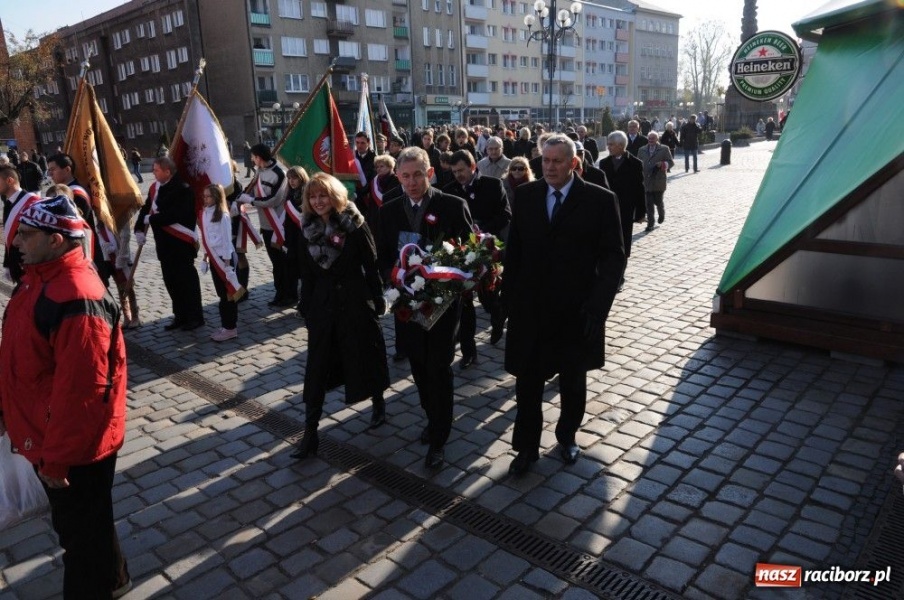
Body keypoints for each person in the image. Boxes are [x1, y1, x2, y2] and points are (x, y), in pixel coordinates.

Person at [0, 195, 131, 598]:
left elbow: (81, 395)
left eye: (25, 234)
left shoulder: (75, 295)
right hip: (50, 431)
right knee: (89, 523)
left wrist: (57, 459)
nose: (15, 241)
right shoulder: (39, 277)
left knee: (80, 540)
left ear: (55, 239)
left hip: (73, 447)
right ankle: (115, 579)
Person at [503, 135, 625, 476]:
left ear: (573, 163)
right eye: (545, 160)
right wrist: (508, 301)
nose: (550, 167)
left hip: (576, 310)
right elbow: (515, 251)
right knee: (528, 382)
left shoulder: (600, 200)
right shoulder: (526, 195)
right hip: (531, 309)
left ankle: (567, 434)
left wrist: (597, 308)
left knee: (573, 379)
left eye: (557, 161)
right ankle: (526, 447)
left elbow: (614, 258)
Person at [377, 147, 473, 470]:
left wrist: (447, 281)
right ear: (398, 177)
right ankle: (432, 416)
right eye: (405, 176)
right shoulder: (388, 210)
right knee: (418, 365)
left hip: (443, 304)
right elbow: (383, 255)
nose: (412, 182)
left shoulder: (452, 205)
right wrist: (394, 280)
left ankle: (439, 438)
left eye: (418, 174)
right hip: (407, 304)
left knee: (439, 367)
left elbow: (469, 251)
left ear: (430, 173)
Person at [291, 173, 390, 459]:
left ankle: (378, 401)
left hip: (355, 300)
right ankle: (310, 433)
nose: (318, 201)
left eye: (323, 195)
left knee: (367, 354)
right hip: (323, 306)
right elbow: (306, 273)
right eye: (312, 196)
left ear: (334, 195)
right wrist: (305, 305)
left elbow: (370, 262)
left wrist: (377, 297)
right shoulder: (306, 228)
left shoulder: (354, 223)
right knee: (317, 368)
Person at [443, 149, 512, 359]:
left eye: (461, 170)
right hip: (462, 251)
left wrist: (481, 231)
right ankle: (468, 351)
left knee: (488, 296)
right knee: (464, 302)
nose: (458, 175)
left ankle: (498, 314)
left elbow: (505, 214)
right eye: (454, 172)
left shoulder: (493, 185)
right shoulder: (449, 190)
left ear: (473, 167)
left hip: (489, 248)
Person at [134, 156, 205, 330]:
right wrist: (139, 228)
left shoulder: (183, 189)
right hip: (164, 245)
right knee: (171, 282)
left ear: (167, 171)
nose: (153, 173)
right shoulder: (155, 188)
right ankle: (180, 315)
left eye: (156, 170)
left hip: (181, 244)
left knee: (186, 282)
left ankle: (195, 317)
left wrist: (152, 219)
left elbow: (177, 215)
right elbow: (146, 208)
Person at [46, 153, 116, 287]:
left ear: (67, 169)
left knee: (95, 290)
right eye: (49, 170)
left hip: (85, 250)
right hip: (74, 252)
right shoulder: (62, 192)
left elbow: (73, 226)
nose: (50, 174)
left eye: (53, 169)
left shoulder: (77, 194)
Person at [239, 143, 294, 307]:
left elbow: (274, 200)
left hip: (278, 225)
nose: (251, 160)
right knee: (276, 263)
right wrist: (241, 196)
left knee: (284, 263)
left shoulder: (279, 174)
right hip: (266, 225)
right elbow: (251, 189)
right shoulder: (259, 171)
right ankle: (280, 293)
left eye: (253, 157)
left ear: (259, 157)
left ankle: (290, 294)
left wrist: (251, 201)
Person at [599, 131, 646, 291]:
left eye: (611, 144)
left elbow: (640, 188)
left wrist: (641, 212)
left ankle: (620, 277)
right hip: (607, 209)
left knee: (624, 244)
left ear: (620, 146)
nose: (608, 147)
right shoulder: (604, 163)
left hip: (625, 210)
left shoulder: (635, 163)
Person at [200, 184, 245, 341]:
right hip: (214, 258)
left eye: (209, 196)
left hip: (225, 259)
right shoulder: (205, 213)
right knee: (221, 294)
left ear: (217, 197)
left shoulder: (223, 215)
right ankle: (225, 325)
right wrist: (205, 258)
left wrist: (227, 266)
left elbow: (226, 242)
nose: (205, 199)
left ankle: (231, 328)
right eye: (204, 196)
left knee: (228, 295)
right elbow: (206, 238)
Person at [1, 166, 40, 283]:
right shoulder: (8, 204)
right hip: (17, 267)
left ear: (9, 180)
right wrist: (8, 264)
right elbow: (9, 236)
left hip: (29, 268)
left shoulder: (32, 203)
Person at [283, 166, 309, 313]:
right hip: (292, 237)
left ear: (301, 178)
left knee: (305, 271)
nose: (291, 181)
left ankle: (305, 302)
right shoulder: (290, 193)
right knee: (294, 268)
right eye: (289, 178)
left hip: (304, 236)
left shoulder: (306, 193)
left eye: (294, 178)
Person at [638, 131, 674, 232]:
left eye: (653, 138)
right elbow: (638, 163)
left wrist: (662, 164)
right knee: (648, 204)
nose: (650, 140)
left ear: (657, 139)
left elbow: (671, 162)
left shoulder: (664, 149)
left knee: (658, 201)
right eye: (649, 138)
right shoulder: (642, 150)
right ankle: (650, 224)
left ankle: (661, 213)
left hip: (659, 180)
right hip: (646, 181)